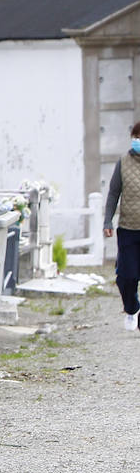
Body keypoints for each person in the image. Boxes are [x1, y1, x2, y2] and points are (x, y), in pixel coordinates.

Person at [102, 120, 140, 330]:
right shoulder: (123, 163)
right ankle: (132, 308)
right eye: (136, 137)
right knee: (126, 277)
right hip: (128, 229)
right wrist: (107, 220)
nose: (138, 141)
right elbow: (114, 193)